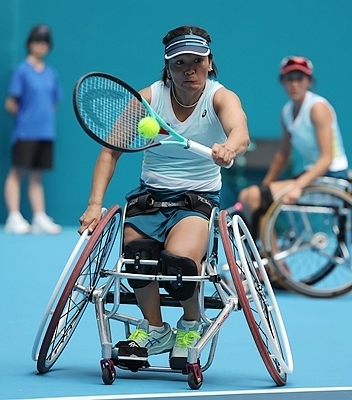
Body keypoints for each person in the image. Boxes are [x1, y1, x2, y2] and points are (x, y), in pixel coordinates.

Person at [78, 26, 250, 369]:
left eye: (197, 62)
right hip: (151, 197)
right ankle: (155, 329)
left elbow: (240, 131)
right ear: (168, 68)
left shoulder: (220, 98)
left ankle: (190, 326)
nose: (189, 71)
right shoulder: (150, 99)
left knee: (181, 262)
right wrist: (94, 205)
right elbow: (110, 151)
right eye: (179, 63)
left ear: (209, 63)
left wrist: (230, 147)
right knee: (137, 256)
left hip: (197, 200)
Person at [237, 56, 349, 239]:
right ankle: (268, 251)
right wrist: (265, 184)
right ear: (283, 82)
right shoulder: (287, 112)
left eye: (300, 79)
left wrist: (298, 185)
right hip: (312, 176)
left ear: (309, 82)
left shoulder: (318, 109)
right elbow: (283, 155)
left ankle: (270, 253)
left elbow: (327, 159)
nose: (294, 84)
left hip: (332, 177)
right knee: (246, 195)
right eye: (289, 79)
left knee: (255, 196)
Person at [3, 24, 63, 235]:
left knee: (37, 176)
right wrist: (26, 119)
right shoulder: (21, 70)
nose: (41, 46)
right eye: (37, 41)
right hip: (25, 133)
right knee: (17, 172)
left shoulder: (51, 73)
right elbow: (11, 103)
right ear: (30, 44)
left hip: (45, 133)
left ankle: (39, 217)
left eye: (45, 42)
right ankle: (13, 217)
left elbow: (54, 102)